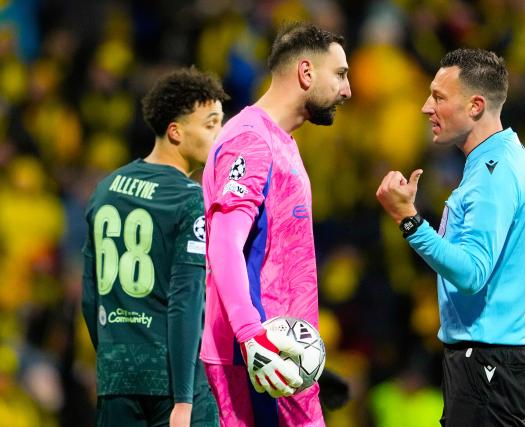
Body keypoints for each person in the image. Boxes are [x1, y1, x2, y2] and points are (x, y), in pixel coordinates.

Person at [376, 48, 525, 426]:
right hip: (502, 360)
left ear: (475, 105)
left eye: (439, 97)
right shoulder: (516, 159)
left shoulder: (493, 175)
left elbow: (472, 273)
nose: (426, 108)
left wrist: (408, 219)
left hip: (488, 361)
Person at [199, 22, 351, 427]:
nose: (347, 89)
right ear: (306, 73)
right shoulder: (249, 141)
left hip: (283, 356)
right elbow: (224, 245)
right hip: (258, 358)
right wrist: (252, 337)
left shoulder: (281, 143)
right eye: (340, 74)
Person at [81, 67, 228, 427]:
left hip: (117, 378)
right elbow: (186, 299)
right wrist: (184, 400)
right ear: (176, 132)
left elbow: (89, 295)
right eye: (211, 124)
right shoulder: (189, 198)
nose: (220, 135)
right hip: (174, 384)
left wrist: (113, 361)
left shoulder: (105, 189)